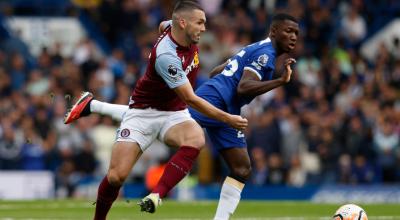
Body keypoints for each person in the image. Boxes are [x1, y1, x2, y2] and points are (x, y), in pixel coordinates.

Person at [66, 12, 299, 220]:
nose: (294, 37)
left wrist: (225, 81)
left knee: (241, 168)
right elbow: (244, 87)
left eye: (297, 33)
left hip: (225, 105)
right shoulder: (266, 54)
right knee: (160, 119)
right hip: (214, 101)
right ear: (274, 31)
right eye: (289, 31)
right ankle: (94, 106)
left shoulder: (257, 47)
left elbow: (219, 69)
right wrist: (279, 81)